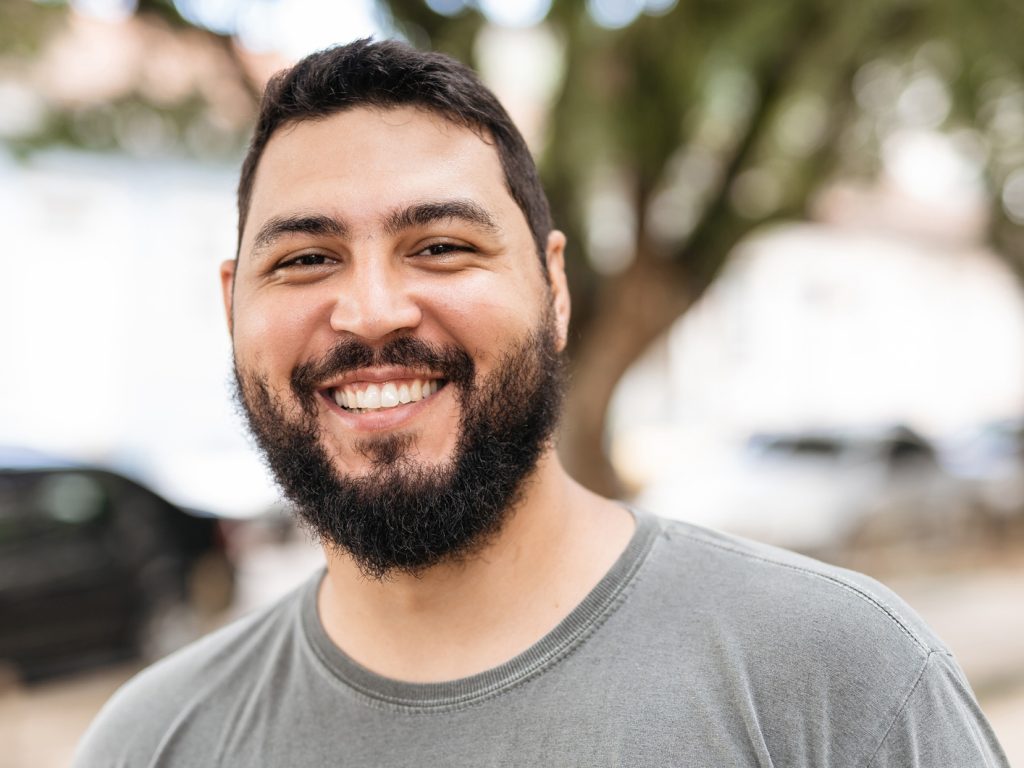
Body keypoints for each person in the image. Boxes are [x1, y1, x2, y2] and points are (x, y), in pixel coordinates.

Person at [74, 38, 1009, 767]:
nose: (368, 312)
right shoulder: (150, 744)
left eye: (440, 246)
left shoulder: (838, 680)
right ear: (232, 305)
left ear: (554, 292)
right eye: (306, 259)